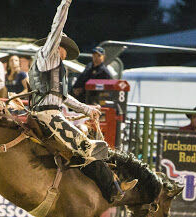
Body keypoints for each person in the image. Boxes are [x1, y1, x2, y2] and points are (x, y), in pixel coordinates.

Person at [29, 0, 135, 205]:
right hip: (48, 115)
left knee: (86, 147)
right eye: (65, 49)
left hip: (48, 112)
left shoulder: (52, 66)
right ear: (58, 45)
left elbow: (63, 97)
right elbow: (57, 26)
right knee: (89, 146)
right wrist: (65, 3)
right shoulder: (49, 55)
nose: (66, 54)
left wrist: (87, 109)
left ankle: (101, 185)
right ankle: (113, 189)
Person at [166, 106, 196, 217]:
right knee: (176, 196)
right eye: (194, 117)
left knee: (191, 198)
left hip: (194, 171)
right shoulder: (182, 131)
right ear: (191, 118)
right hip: (181, 169)